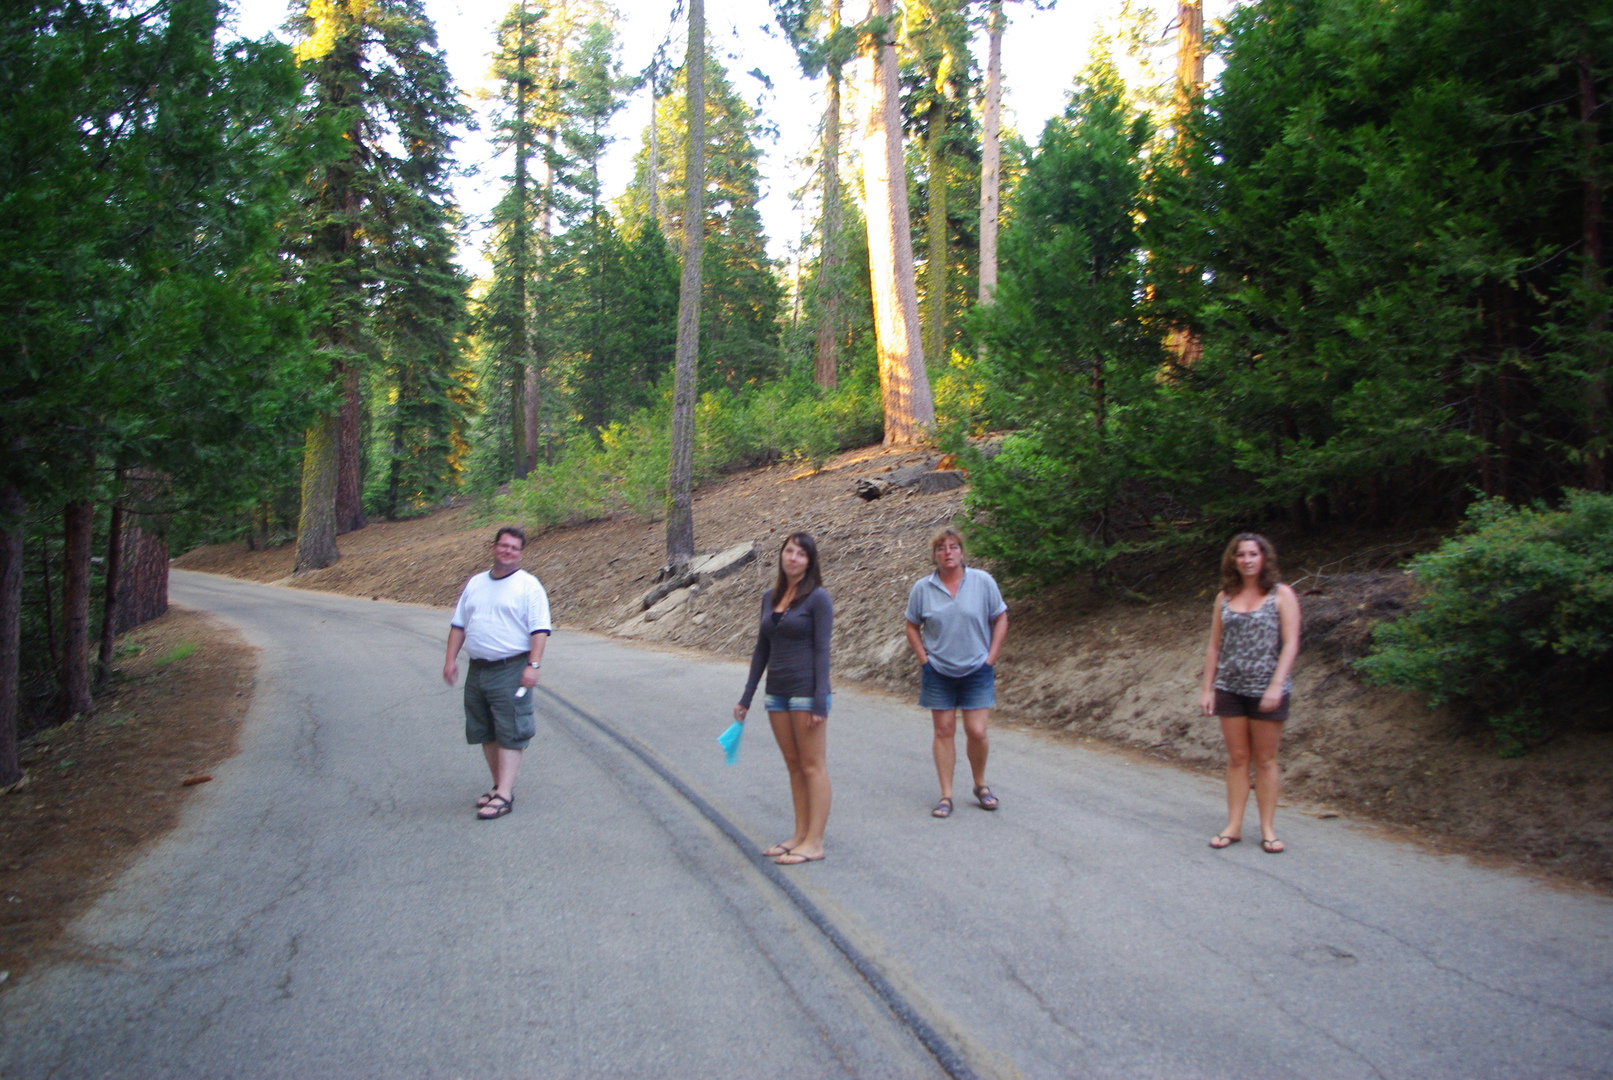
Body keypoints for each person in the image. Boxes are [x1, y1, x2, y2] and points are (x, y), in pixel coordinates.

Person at [734, 533, 834, 865]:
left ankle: (814, 842)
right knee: (794, 766)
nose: (793, 558)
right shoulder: (770, 597)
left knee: (812, 766)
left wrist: (820, 699)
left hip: (805, 693)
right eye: (789, 551)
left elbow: (822, 651)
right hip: (776, 693)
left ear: (810, 562)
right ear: (781, 555)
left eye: (801, 554)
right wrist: (746, 697)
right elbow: (761, 649)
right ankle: (799, 835)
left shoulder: (818, 598)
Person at [1199, 532, 1301, 854]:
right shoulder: (1224, 597)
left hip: (1267, 690)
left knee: (1266, 760)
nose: (1247, 560)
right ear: (1233, 560)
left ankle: (1268, 829)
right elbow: (1215, 646)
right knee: (1237, 758)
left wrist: (1275, 685)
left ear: (1264, 558)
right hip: (1230, 688)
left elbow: (1291, 643)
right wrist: (1207, 688)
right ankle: (1234, 825)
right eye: (1241, 554)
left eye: (1253, 554)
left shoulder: (1281, 594)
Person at [443, 526, 552, 820]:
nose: (508, 551)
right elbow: (459, 625)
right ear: (494, 547)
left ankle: (505, 794)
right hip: (478, 668)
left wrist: (533, 665)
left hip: (511, 668)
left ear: (520, 553)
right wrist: (450, 660)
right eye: (504, 545)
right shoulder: (476, 583)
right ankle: (498, 786)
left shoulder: (529, 586)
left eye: (514, 548)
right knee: (485, 729)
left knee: (510, 730)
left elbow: (540, 630)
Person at [905, 527, 1008, 818]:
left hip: (977, 668)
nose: (947, 553)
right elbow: (911, 625)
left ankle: (980, 785)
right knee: (944, 730)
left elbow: (1001, 617)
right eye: (941, 548)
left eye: (953, 547)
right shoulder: (923, 588)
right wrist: (924, 659)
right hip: (938, 670)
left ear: (962, 552)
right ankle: (946, 795)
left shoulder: (982, 582)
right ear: (934, 555)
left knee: (977, 731)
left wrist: (991, 657)